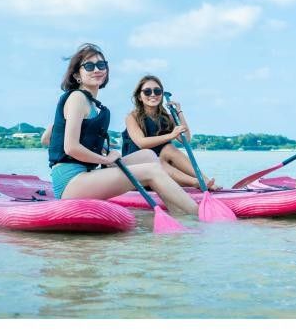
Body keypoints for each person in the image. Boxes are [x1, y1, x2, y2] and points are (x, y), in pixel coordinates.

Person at [46, 43, 198, 215]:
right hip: (70, 182)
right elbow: (70, 148)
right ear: (77, 75)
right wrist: (105, 159)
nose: (97, 69)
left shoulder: (93, 105)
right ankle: (199, 216)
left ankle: (175, 211)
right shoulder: (77, 98)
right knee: (152, 170)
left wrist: (102, 150)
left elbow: (56, 138)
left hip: (87, 173)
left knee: (148, 156)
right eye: (89, 66)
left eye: (101, 65)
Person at [121, 74, 219, 190]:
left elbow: (186, 139)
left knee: (169, 149)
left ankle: (204, 180)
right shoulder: (132, 117)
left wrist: (178, 112)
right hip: (137, 170)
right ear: (139, 97)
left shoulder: (168, 118)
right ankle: (195, 182)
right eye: (147, 92)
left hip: (162, 169)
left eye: (157, 91)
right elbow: (141, 143)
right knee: (156, 160)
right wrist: (171, 135)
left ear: (161, 95)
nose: (153, 94)